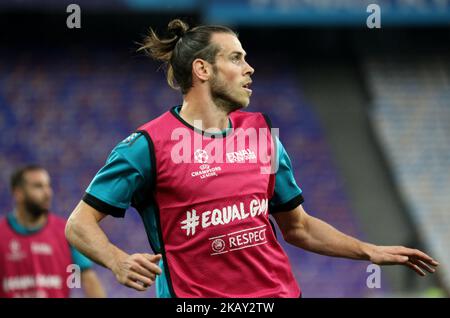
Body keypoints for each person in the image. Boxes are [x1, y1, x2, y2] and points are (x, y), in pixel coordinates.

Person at [65, 19, 439, 298]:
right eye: (236, 58)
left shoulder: (262, 133)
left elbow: (299, 227)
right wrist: (116, 260)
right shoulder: (146, 145)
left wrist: (369, 250)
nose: (250, 68)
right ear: (202, 69)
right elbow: (78, 224)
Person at [0, 165, 106, 298]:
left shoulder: (67, 231)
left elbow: (88, 278)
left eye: (48, 186)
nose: (47, 192)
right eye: (38, 186)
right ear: (18, 193)